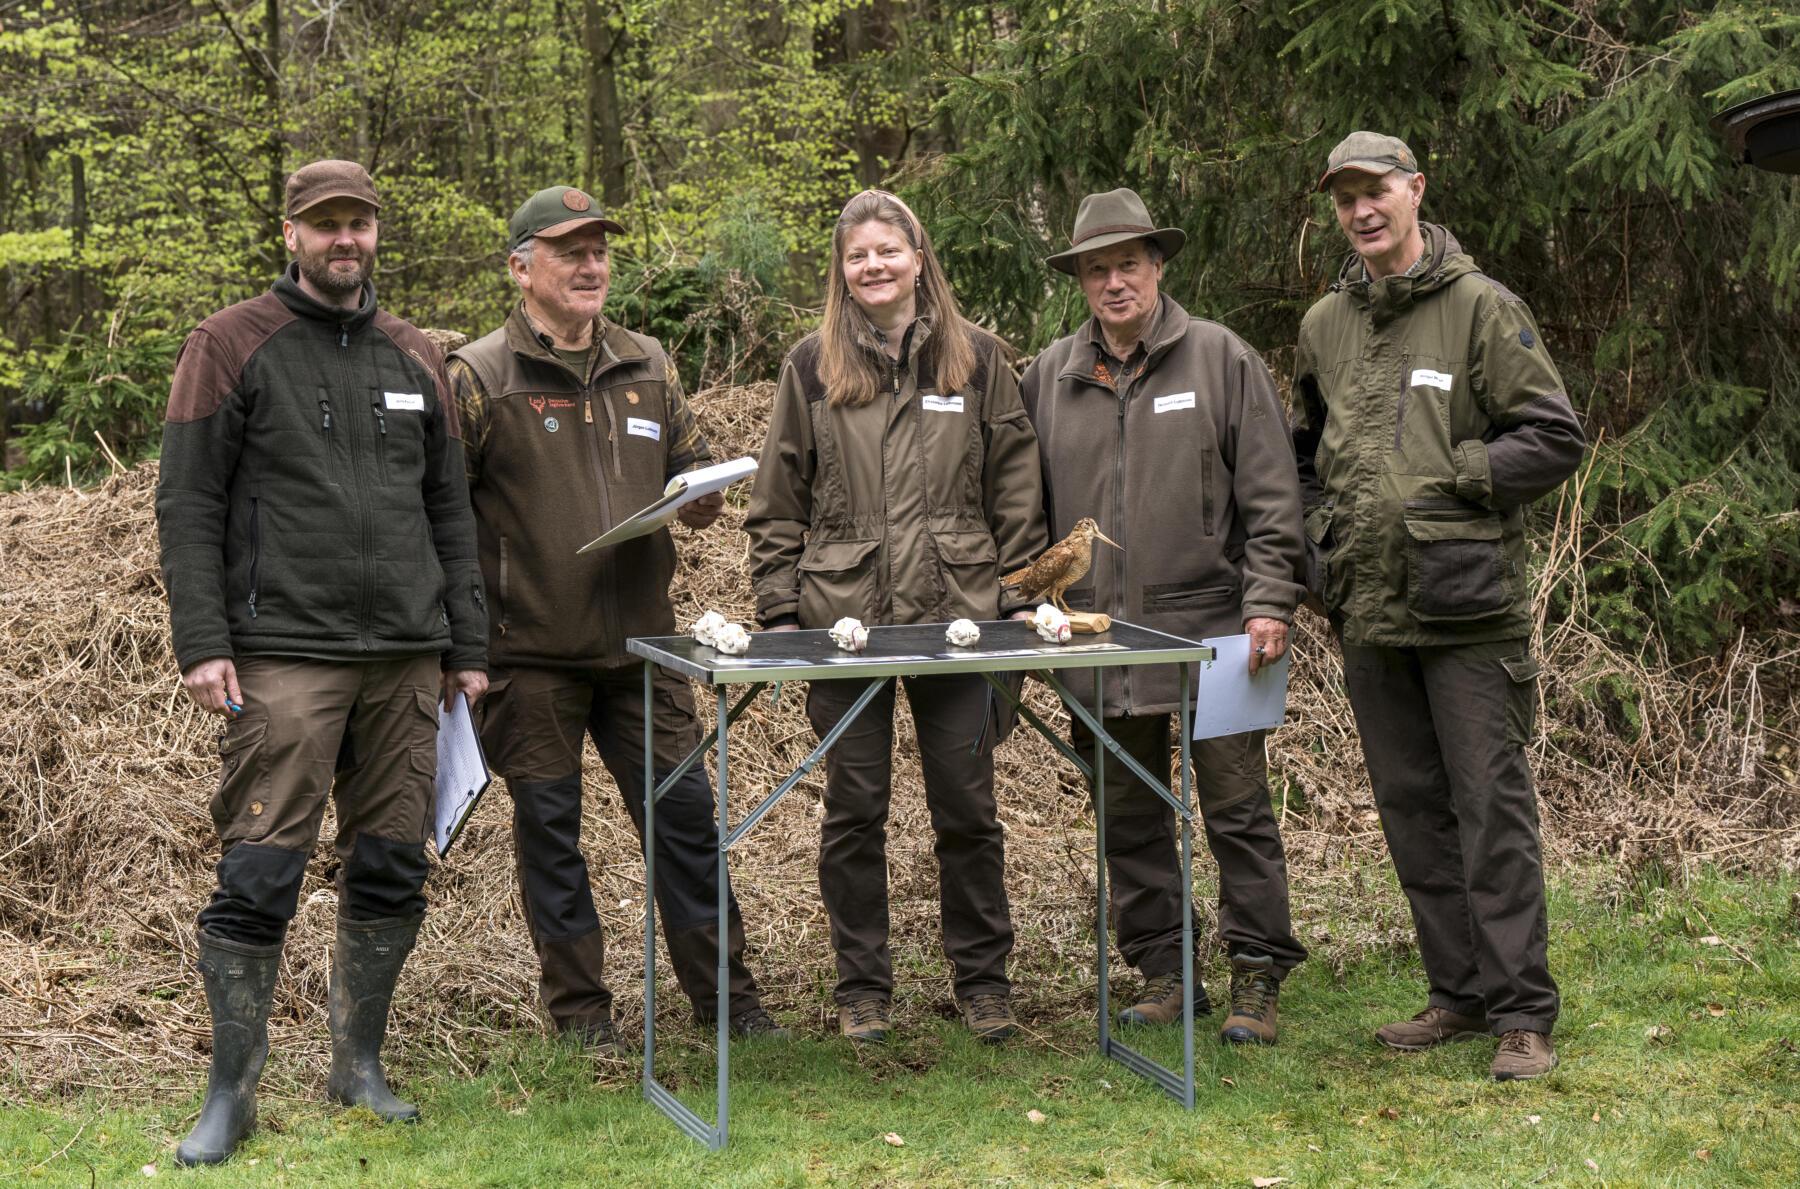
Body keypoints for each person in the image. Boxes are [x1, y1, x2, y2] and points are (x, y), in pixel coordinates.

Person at [155, 159, 487, 1165]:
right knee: (260, 868)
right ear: (291, 234)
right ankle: (231, 1094)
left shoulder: (416, 354)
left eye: (360, 223)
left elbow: (450, 507)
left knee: (390, 861)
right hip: (283, 652)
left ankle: (359, 1067)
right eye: (326, 223)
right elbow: (188, 500)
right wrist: (203, 641)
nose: (346, 239)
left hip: (406, 658)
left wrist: (466, 643)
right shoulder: (229, 344)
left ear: (378, 233)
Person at [446, 186, 781, 1052]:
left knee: (686, 823)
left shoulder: (649, 362)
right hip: (529, 656)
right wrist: (462, 644)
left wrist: (700, 497)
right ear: (522, 269)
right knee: (551, 837)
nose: (592, 265)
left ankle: (729, 1002)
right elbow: (441, 513)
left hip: (644, 650)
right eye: (571, 252)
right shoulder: (479, 377)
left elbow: (691, 466)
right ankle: (582, 1016)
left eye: (599, 250)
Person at [1293, 132, 1586, 1080]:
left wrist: (1455, 471)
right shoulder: (1324, 325)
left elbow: (1553, 436)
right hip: (1369, 609)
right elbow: (1305, 456)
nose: (1361, 210)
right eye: (1345, 198)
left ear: (1415, 190)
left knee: (1491, 810)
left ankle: (1522, 1013)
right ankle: (1458, 995)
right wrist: (1318, 547)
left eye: (1375, 191)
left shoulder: (1482, 308)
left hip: (1468, 611)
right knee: (1413, 810)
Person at [745, 189, 1048, 1044]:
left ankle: (984, 983)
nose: (873, 266)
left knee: (968, 810)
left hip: (961, 615)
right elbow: (778, 496)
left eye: (888, 250)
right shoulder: (811, 364)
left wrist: (1021, 599)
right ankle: (863, 990)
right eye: (857, 255)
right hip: (844, 620)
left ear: (919, 258)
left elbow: (1016, 484)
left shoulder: (978, 358)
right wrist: (778, 611)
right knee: (853, 813)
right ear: (841, 270)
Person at [1019, 188, 1309, 1046]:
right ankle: (1166, 970)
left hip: (1218, 633)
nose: (1115, 282)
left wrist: (1269, 601)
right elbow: (1021, 510)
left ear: (1157, 266)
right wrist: (1034, 608)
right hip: (1097, 637)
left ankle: (1257, 969)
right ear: (1080, 280)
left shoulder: (1221, 359)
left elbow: (1273, 494)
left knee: (1237, 806)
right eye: (1097, 270)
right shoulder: (1048, 377)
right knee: (1128, 810)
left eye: (1128, 265)